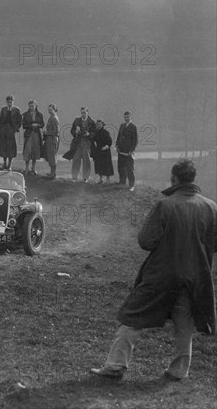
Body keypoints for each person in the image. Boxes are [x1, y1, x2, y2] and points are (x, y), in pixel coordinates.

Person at [91, 159, 217, 381]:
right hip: (195, 276)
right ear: (193, 179)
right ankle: (179, 371)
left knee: (131, 316)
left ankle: (115, 366)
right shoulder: (211, 207)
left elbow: (146, 241)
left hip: (161, 274)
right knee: (184, 324)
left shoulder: (165, 205)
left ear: (174, 178)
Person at [70, 107, 96, 182]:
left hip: (87, 143)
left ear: (88, 113)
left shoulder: (92, 122)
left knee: (86, 159)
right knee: (76, 159)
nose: (83, 114)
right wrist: (75, 132)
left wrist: (89, 134)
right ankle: (74, 177)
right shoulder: (77, 120)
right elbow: (72, 130)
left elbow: (94, 133)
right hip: (78, 142)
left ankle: (86, 177)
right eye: (82, 113)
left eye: (84, 113)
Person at [116, 111, 138, 191]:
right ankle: (122, 182)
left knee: (130, 169)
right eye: (125, 117)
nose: (126, 118)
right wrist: (117, 146)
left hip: (128, 152)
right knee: (121, 167)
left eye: (127, 117)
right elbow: (118, 137)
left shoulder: (133, 127)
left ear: (131, 117)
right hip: (121, 151)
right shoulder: (122, 126)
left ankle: (131, 185)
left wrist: (131, 151)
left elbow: (135, 141)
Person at [0, 95, 22, 170]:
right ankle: (4, 163)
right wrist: (1, 128)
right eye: (8, 102)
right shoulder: (3, 109)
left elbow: (20, 121)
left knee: (11, 148)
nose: (9, 103)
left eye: (11, 102)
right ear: (6, 102)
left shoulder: (17, 110)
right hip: (4, 130)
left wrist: (15, 129)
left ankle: (10, 165)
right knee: (3, 146)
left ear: (13, 102)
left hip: (11, 130)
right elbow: (0, 119)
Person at [22, 99, 45, 175]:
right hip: (28, 135)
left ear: (36, 106)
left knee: (35, 151)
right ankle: (26, 168)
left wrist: (38, 125)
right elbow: (24, 126)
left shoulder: (40, 114)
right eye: (30, 106)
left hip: (36, 135)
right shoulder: (25, 114)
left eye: (33, 106)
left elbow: (42, 124)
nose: (31, 107)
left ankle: (33, 168)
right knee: (27, 151)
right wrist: (31, 125)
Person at [91, 119, 114, 184]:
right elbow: (93, 140)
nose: (98, 126)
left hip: (105, 151)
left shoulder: (106, 132)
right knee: (99, 165)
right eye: (97, 125)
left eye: (100, 124)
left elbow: (110, 141)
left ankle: (108, 179)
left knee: (107, 165)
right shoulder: (96, 133)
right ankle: (100, 179)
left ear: (102, 125)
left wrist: (106, 147)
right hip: (98, 151)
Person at [43, 104, 60, 179]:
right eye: (48, 110)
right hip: (49, 139)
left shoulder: (55, 118)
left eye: (51, 110)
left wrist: (47, 133)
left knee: (53, 156)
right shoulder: (51, 117)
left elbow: (56, 132)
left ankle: (53, 174)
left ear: (54, 109)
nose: (49, 111)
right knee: (50, 156)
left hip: (53, 140)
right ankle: (52, 172)